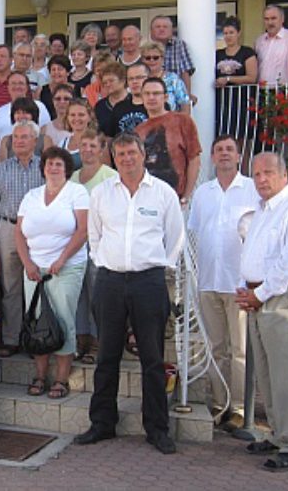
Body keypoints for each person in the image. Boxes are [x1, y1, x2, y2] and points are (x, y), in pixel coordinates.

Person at [76, 132, 184, 455]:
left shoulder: (163, 193)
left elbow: (175, 239)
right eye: (120, 154)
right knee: (107, 355)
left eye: (131, 153)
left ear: (143, 154)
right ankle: (102, 424)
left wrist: (159, 267)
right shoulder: (102, 195)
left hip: (148, 282)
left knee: (152, 358)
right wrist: (104, 262)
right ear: (113, 157)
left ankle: (157, 429)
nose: (126, 159)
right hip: (109, 281)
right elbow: (94, 237)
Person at [235, 152, 288, 472]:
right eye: (256, 174)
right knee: (268, 372)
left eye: (268, 173)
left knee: (286, 372)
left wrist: (259, 294)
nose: (261, 179)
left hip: (283, 295)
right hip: (262, 294)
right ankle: (278, 434)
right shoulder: (260, 210)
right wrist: (248, 289)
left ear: (284, 174)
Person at [188, 136, 258, 429]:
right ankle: (219, 403)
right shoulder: (203, 193)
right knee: (215, 347)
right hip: (208, 280)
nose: (224, 154)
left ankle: (240, 407)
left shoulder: (253, 190)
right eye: (219, 150)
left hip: (239, 282)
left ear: (239, 156)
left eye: (230, 149)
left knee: (240, 349)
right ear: (213, 158)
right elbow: (194, 232)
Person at [16, 146, 88, 399]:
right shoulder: (31, 195)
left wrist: (62, 259)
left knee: (63, 320)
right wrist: (27, 264)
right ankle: (40, 374)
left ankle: (61, 378)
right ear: (43, 167)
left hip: (66, 268)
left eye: (58, 164)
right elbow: (18, 233)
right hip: (34, 270)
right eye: (49, 163)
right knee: (37, 321)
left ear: (66, 168)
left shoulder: (77, 192)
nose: (53, 168)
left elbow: (82, 230)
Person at [0, 121, 45, 357]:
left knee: (38, 285)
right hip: (7, 229)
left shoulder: (45, 168)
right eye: (15, 137)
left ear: (35, 140)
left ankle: (37, 337)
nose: (19, 141)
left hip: (38, 233)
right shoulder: (0, 170)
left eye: (25, 137)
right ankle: (11, 338)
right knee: (10, 287)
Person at [72, 129, 117, 362]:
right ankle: (81, 338)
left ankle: (98, 340)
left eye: (93, 145)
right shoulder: (72, 177)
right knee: (79, 294)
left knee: (97, 294)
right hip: (74, 245)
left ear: (101, 150)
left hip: (99, 244)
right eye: (84, 145)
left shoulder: (110, 177)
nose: (88, 150)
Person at [134, 77, 202, 204]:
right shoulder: (138, 131)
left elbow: (194, 159)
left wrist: (186, 196)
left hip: (177, 197)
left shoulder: (183, 121)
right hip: (148, 199)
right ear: (141, 98)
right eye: (147, 94)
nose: (151, 97)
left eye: (156, 93)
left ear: (165, 97)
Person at [215, 16, 259, 140]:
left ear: (238, 33)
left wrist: (228, 79)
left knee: (242, 138)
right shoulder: (217, 54)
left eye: (231, 33)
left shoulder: (247, 52)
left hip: (241, 101)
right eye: (225, 33)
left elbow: (252, 77)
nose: (228, 36)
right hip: (222, 103)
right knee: (224, 136)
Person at [0, 71, 50, 150]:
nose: (17, 86)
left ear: (27, 87)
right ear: (8, 87)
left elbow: (46, 132)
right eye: (13, 83)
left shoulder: (39, 106)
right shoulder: (0, 111)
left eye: (21, 83)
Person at [140, 41, 191, 114]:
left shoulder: (173, 79)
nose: (152, 60)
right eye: (148, 58)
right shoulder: (139, 79)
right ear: (142, 60)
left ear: (162, 59)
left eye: (156, 58)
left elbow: (185, 106)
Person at [150, 15, 195, 97]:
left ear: (171, 30)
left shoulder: (179, 45)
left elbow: (185, 73)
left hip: (174, 94)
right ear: (151, 31)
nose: (161, 29)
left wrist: (186, 96)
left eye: (165, 27)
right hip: (150, 94)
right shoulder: (145, 47)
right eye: (158, 27)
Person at [0, 97, 54, 162]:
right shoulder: (6, 140)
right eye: (18, 112)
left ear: (33, 115)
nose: (21, 116)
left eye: (25, 112)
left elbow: (49, 164)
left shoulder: (45, 140)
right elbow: (2, 166)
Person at [110, 62, 150, 136]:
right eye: (131, 79)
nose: (134, 82)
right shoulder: (119, 108)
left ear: (149, 78)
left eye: (139, 77)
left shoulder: (158, 106)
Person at [59, 98, 96, 170]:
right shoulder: (62, 143)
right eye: (72, 115)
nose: (76, 118)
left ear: (89, 117)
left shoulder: (97, 142)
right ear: (67, 118)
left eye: (81, 115)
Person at [94, 61, 128, 137]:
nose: (108, 84)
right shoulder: (100, 106)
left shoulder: (134, 101)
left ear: (122, 80)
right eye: (105, 82)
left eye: (111, 81)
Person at [38, 54, 72, 119]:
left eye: (60, 69)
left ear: (68, 72)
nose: (56, 72)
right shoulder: (40, 90)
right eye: (53, 69)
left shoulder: (79, 90)